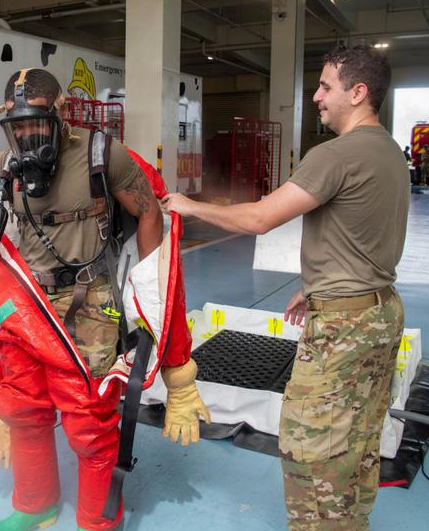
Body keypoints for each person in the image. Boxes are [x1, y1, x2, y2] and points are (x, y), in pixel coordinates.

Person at [0, 68, 209, 531]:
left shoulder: (102, 155)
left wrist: (148, 287)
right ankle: (35, 506)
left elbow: (147, 209)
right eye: (18, 129)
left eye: (37, 125)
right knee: (24, 407)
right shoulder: (6, 163)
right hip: (30, 302)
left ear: (61, 115)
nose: (29, 138)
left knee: (88, 417)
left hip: (91, 299)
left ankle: (97, 520)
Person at [162, 45, 409, 531]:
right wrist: (316, 288)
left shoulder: (336, 154)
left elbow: (259, 218)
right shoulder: (388, 150)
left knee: (308, 448)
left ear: (358, 93)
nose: (315, 96)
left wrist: (189, 207)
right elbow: (361, 233)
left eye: (325, 86)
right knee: (358, 440)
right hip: (379, 311)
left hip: (343, 329)